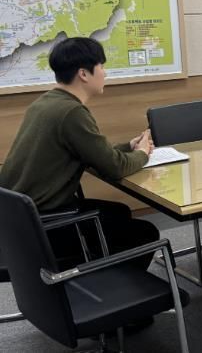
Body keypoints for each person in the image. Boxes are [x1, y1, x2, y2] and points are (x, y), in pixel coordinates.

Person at [0, 37, 158, 271]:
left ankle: (101, 272)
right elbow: (115, 168)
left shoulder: (45, 103)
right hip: (48, 223)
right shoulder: (72, 112)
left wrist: (128, 147)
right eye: (101, 66)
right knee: (145, 233)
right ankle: (110, 288)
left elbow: (92, 153)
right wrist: (143, 153)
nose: (105, 73)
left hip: (18, 220)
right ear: (83, 74)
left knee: (120, 212)